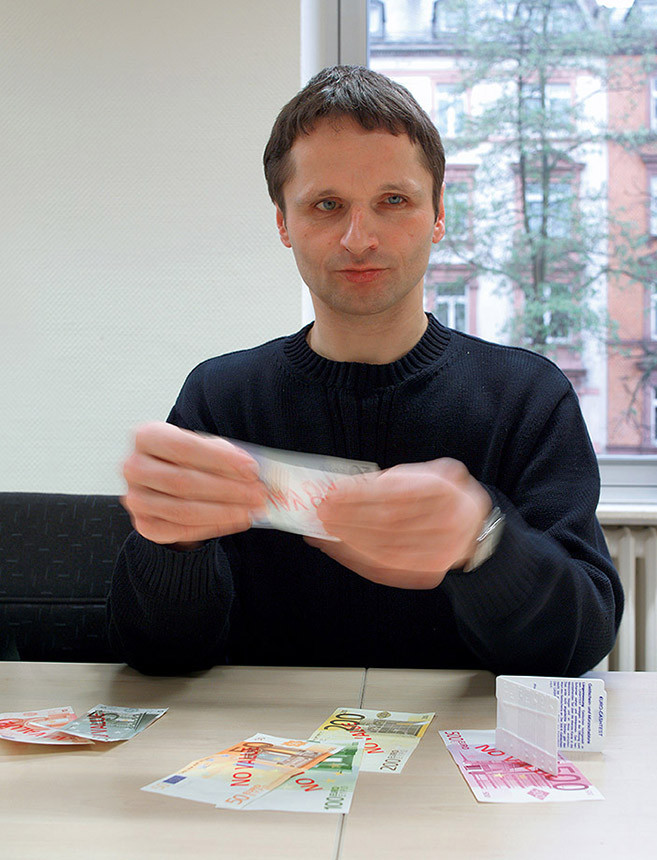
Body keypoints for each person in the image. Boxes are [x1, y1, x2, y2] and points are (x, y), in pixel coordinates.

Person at [107, 65, 623, 677]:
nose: (359, 238)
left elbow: (579, 645)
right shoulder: (220, 398)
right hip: (265, 758)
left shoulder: (527, 396)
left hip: (457, 755)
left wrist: (482, 545)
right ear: (283, 222)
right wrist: (174, 545)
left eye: (393, 201)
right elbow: (154, 656)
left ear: (437, 215)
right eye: (327, 205)